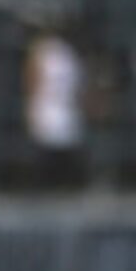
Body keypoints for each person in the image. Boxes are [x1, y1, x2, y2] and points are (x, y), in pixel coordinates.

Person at [24, 28, 87, 189]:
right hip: (47, 106)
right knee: (44, 153)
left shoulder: (67, 53)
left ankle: (65, 185)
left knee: (64, 152)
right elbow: (32, 80)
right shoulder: (44, 51)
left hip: (64, 107)